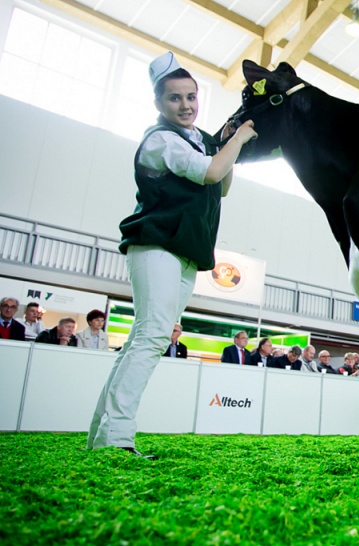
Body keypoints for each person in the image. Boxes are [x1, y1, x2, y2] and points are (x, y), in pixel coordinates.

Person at [86, 51, 257, 460]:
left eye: (192, 97)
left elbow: (223, 184)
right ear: (158, 104)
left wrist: (223, 142)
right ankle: (117, 437)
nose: (186, 106)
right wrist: (237, 139)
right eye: (175, 99)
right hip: (156, 245)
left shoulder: (198, 140)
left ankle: (101, 436)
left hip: (182, 251)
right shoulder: (160, 140)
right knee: (151, 337)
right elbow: (212, 172)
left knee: (143, 339)